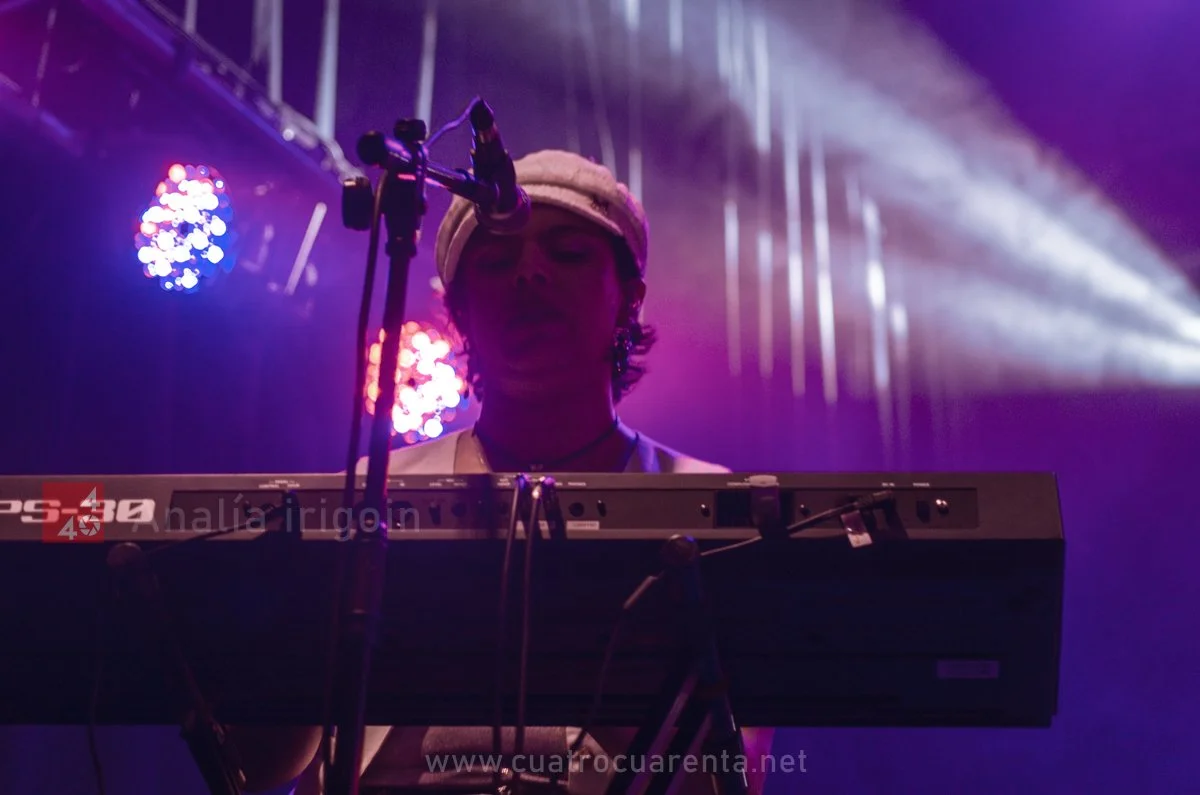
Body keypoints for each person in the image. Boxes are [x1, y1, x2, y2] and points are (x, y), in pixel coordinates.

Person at [234, 149, 773, 794]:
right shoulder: (378, 487)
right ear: (459, 312)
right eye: (495, 260)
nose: (530, 274)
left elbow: (733, 777)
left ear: (629, 298)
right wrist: (289, 621)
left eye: (567, 253)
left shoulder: (704, 499)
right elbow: (258, 768)